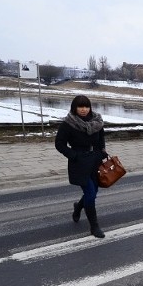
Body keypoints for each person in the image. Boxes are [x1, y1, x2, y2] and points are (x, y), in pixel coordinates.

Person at [55, 95, 108, 238]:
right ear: (74, 108)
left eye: (86, 106)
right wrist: (74, 155)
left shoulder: (97, 121)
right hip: (79, 163)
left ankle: (78, 207)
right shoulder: (68, 124)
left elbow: (101, 137)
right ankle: (94, 226)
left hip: (95, 161)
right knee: (90, 193)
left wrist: (102, 151)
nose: (84, 109)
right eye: (80, 106)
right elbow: (59, 144)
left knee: (93, 192)